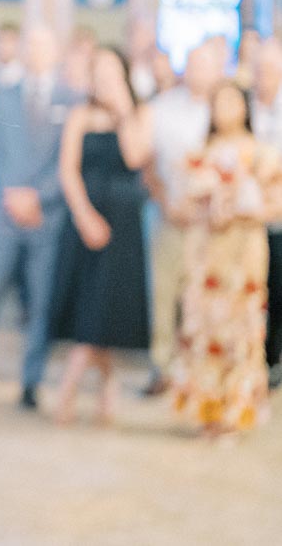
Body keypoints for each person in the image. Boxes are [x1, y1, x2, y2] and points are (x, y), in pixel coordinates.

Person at [0, 25, 77, 410]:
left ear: (55, 52)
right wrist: (12, 194)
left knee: (42, 301)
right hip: (2, 210)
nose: (37, 52)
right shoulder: (0, 95)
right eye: (31, 45)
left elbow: (70, 160)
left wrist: (39, 197)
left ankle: (32, 381)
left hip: (48, 214)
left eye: (44, 46)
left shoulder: (71, 99)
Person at [48, 47, 153, 425]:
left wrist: (123, 113)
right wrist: (84, 216)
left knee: (108, 306)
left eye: (112, 71)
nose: (105, 79)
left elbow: (136, 158)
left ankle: (72, 387)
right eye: (99, 71)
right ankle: (103, 386)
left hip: (124, 225)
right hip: (86, 222)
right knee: (90, 304)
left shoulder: (140, 113)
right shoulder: (79, 114)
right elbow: (68, 170)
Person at [170, 82, 277, 434]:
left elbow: (275, 205)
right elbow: (181, 205)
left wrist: (240, 208)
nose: (225, 108)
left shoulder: (262, 154)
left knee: (239, 331)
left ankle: (236, 410)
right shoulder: (201, 153)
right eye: (218, 101)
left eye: (232, 100)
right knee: (204, 329)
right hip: (205, 253)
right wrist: (206, 205)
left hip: (243, 251)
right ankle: (206, 409)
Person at [142, 43, 218, 395]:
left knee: (203, 296)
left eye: (206, 66)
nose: (198, 72)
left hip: (212, 225)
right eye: (193, 64)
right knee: (164, 292)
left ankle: (199, 369)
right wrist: (166, 202)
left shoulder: (224, 109)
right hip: (168, 214)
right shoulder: (163, 107)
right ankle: (163, 367)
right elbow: (148, 163)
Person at [249, 38, 282, 386]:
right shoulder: (244, 106)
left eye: (272, 70)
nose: (265, 77)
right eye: (260, 70)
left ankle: (275, 358)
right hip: (248, 220)